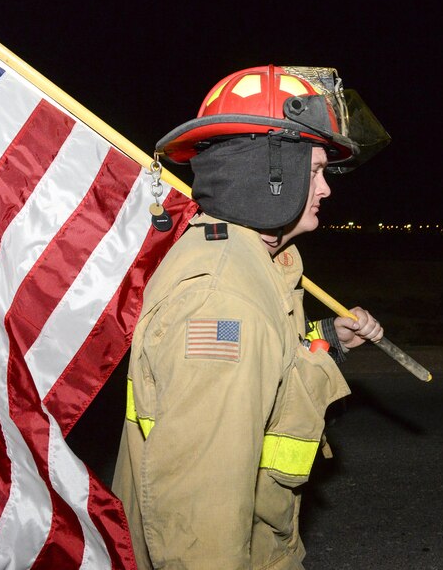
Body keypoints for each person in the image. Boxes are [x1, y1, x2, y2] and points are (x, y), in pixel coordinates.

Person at [113, 65, 391, 569]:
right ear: (269, 175)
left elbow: (271, 367)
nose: (326, 190)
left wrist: (330, 337)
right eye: (314, 172)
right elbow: (200, 518)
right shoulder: (224, 302)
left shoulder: (253, 264)